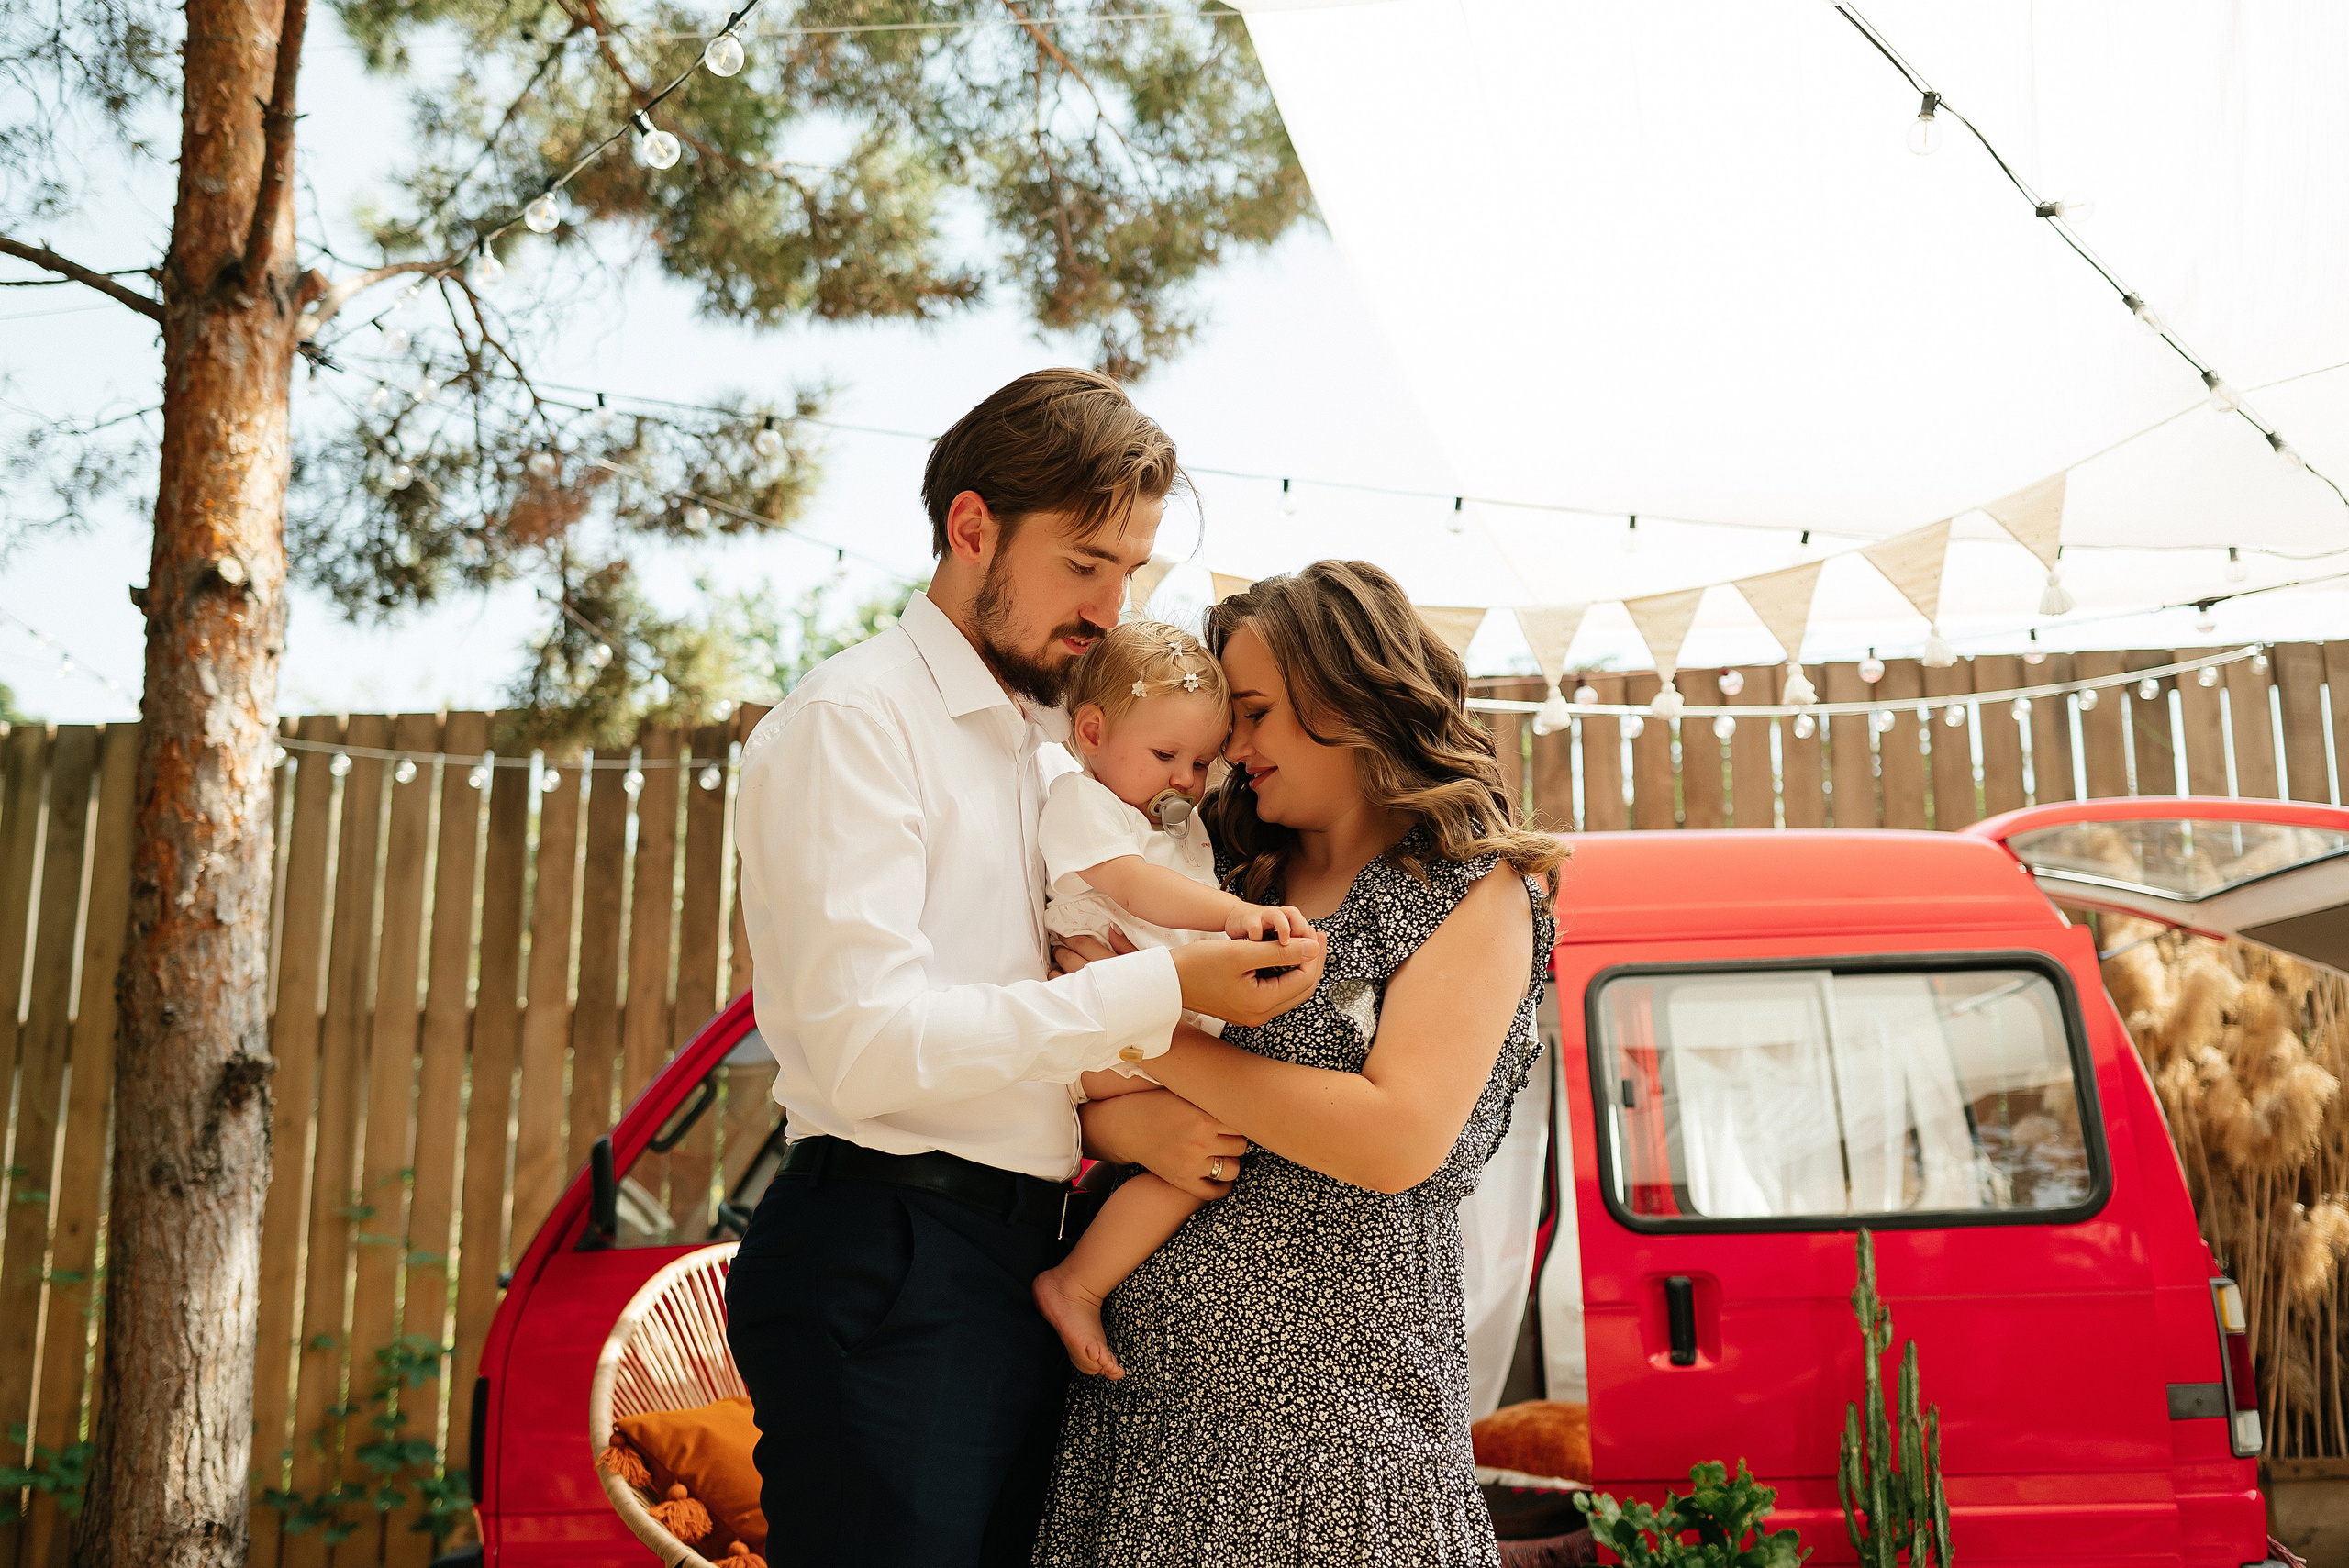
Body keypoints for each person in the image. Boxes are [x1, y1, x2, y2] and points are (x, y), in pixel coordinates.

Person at [725, 368, 1326, 1568]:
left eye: (1131, 571)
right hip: (888, 1261)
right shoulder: (854, 724)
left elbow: (1030, 1026)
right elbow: (869, 1048)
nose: (1111, 605)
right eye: (1084, 563)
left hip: (1023, 1258)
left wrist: (1122, 1131)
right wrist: (1165, 992)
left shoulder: (1076, 743)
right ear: (972, 528)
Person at [1033, 559, 1564, 1568]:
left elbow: (1393, 1135)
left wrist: (1153, 1030)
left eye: (1255, 713)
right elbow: (1087, 1091)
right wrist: (1125, 1120)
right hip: (1144, 1414)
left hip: (1335, 1431)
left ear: (1348, 700)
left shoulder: (1467, 891)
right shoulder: (1229, 876)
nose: (1230, 749)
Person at [1024, 619, 1313, 1382]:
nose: (1186, 779)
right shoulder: (1083, 800)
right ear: (1092, 731)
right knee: (1214, 1129)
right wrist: (1228, 920)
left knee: (1205, 1151)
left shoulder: (1168, 820)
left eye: (1199, 762)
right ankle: (1077, 1282)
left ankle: (1076, 1280)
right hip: (1098, 1027)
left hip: (1150, 1031)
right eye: (1165, 756)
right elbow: (1130, 884)